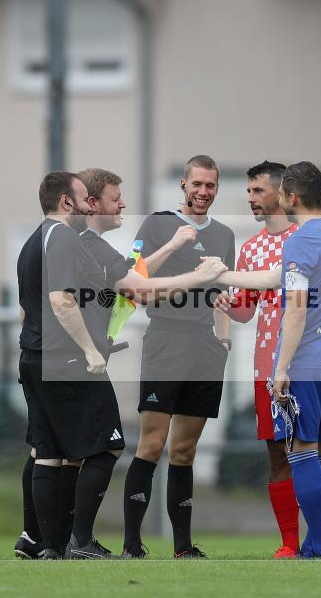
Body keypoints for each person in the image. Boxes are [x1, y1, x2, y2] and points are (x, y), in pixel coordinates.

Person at [15, 170, 228, 559]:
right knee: (108, 446)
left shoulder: (36, 240)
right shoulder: (75, 240)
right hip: (67, 359)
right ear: (74, 203)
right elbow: (131, 291)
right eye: (113, 198)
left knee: (49, 452)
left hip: (35, 358)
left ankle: (44, 543)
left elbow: (128, 280)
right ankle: (77, 541)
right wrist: (199, 277)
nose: (122, 205)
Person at [213, 161, 321, 559]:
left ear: (285, 194)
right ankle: (293, 542)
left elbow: (293, 300)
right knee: (284, 453)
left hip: (297, 360)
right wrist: (227, 301)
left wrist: (221, 276)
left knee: (318, 451)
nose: (251, 199)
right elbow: (246, 309)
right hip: (276, 363)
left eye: (258, 191)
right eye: (249, 192)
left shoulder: (301, 237)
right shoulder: (256, 246)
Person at [122, 155, 236, 559]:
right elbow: (133, 281)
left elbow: (225, 294)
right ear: (183, 186)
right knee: (151, 444)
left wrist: (223, 340)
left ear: (217, 188)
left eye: (211, 185)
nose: (203, 192)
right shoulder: (156, 224)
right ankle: (132, 544)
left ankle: (183, 548)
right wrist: (174, 243)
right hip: (165, 340)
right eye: (197, 184)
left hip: (205, 347)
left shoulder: (224, 234)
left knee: (184, 451)